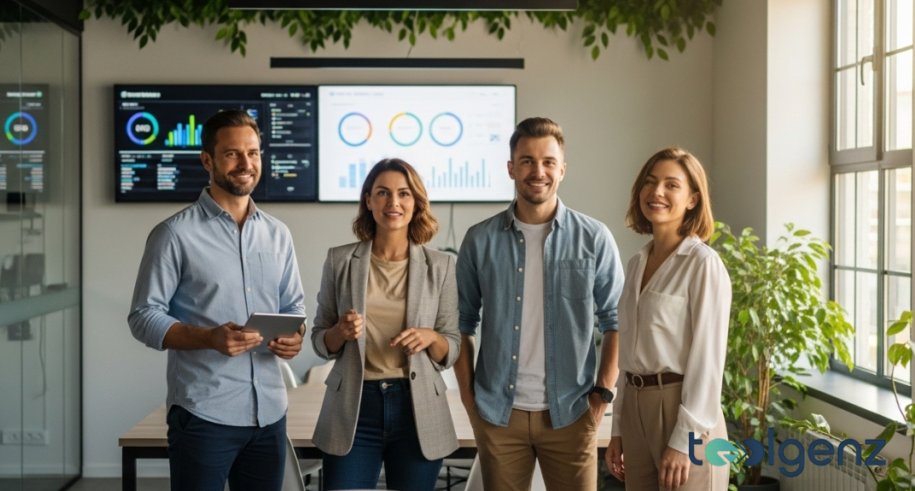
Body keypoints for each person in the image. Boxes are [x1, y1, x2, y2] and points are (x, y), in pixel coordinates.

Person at [127, 110, 306, 491]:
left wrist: (295, 336)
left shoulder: (278, 234)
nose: (246, 164)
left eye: (254, 153)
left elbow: (293, 308)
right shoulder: (173, 234)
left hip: (270, 414)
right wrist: (209, 338)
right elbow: (143, 316)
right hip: (204, 415)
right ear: (207, 160)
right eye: (232, 154)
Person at [454, 117, 624, 491]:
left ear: (562, 169)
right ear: (511, 168)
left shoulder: (594, 238)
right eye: (527, 160)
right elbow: (461, 325)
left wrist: (601, 398)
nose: (538, 171)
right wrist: (470, 402)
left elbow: (617, 321)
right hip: (498, 416)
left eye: (548, 161)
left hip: (572, 414)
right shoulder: (479, 240)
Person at [311, 158, 461, 491]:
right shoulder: (340, 260)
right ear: (368, 200)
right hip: (354, 407)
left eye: (404, 193)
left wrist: (430, 336)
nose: (393, 203)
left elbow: (452, 348)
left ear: (416, 201)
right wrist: (339, 332)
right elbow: (320, 340)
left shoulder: (442, 266)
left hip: (417, 409)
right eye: (382, 193)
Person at [604, 147, 731, 491]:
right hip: (635, 408)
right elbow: (628, 356)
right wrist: (617, 429)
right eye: (650, 182)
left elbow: (708, 360)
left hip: (685, 411)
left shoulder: (703, 264)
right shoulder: (635, 265)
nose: (656, 192)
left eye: (671, 185)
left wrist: (684, 440)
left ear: (692, 199)